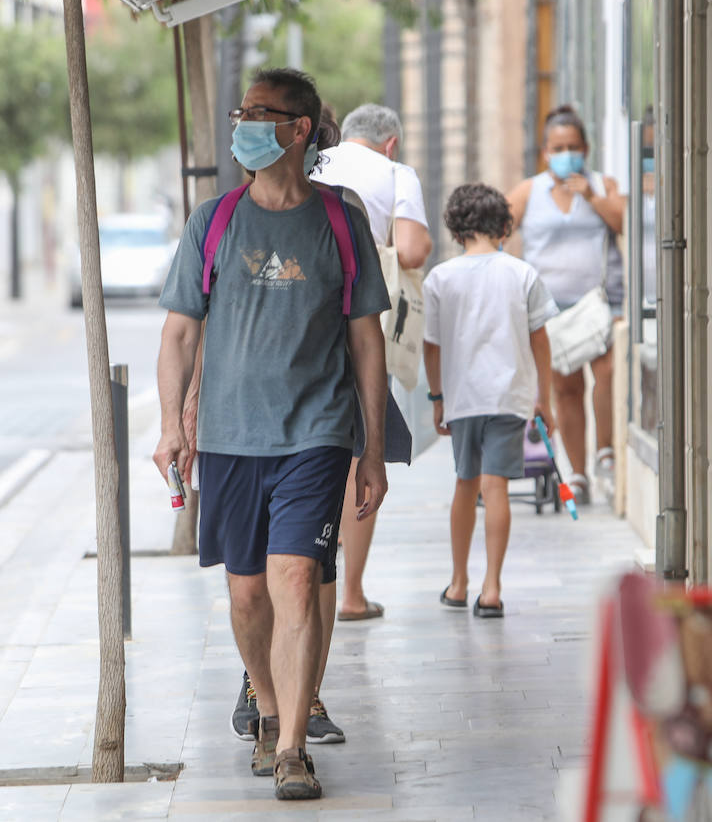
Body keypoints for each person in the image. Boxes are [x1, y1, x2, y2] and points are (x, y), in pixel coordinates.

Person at [154, 68, 391, 801]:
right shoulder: (214, 220)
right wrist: (170, 424)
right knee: (247, 594)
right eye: (240, 111)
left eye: (260, 112)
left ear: (299, 128)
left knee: (294, 579)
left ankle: (291, 745)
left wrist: (371, 449)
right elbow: (179, 333)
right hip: (229, 436)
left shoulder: (340, 222)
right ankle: (263, 700)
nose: (243, 124)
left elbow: (367, 342)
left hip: (315, 432)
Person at [311, 103, 431, 623]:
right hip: (361, 326)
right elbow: (411, 249)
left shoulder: (315, 164)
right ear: (391, 143)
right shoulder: (395, 173)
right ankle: (351, 594)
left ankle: (306, 569)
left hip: (304, 328)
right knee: (363, 453)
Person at [422, 183, 557, 617]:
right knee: (495, 486)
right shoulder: (522, 274)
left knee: (466, 483)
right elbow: (541, 343)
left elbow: (431, 345)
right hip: (510, 397)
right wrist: (544, 400)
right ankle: (493, 587)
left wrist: (438, 397)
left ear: (456, 229)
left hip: (463, 397)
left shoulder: (440, 277)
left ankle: (458, 583)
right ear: (504, 226)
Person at [506, 104, 626, 504]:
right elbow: (496, 226)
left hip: (596, 303)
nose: (566, 153)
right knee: (566, 388)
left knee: (606, 372)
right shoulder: (530, 190)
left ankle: (605, 451)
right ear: (545, 152)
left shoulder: (601, 185)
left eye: (573, 146)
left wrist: (591, 195)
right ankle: (578, 475)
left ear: (586, 148)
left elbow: (621, 222)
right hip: (550, 309)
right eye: (558, 147)